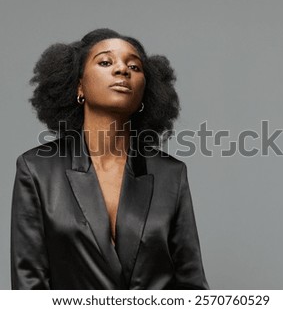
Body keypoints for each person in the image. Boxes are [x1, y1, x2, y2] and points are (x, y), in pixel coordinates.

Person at [11, 28, 209, 289]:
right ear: (79, 85)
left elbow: (191, 284)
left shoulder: (171, 174)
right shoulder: (36, 169)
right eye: (106, 62)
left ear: (144, 94)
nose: (122, 70)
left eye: (134, 67)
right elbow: (29, 284)